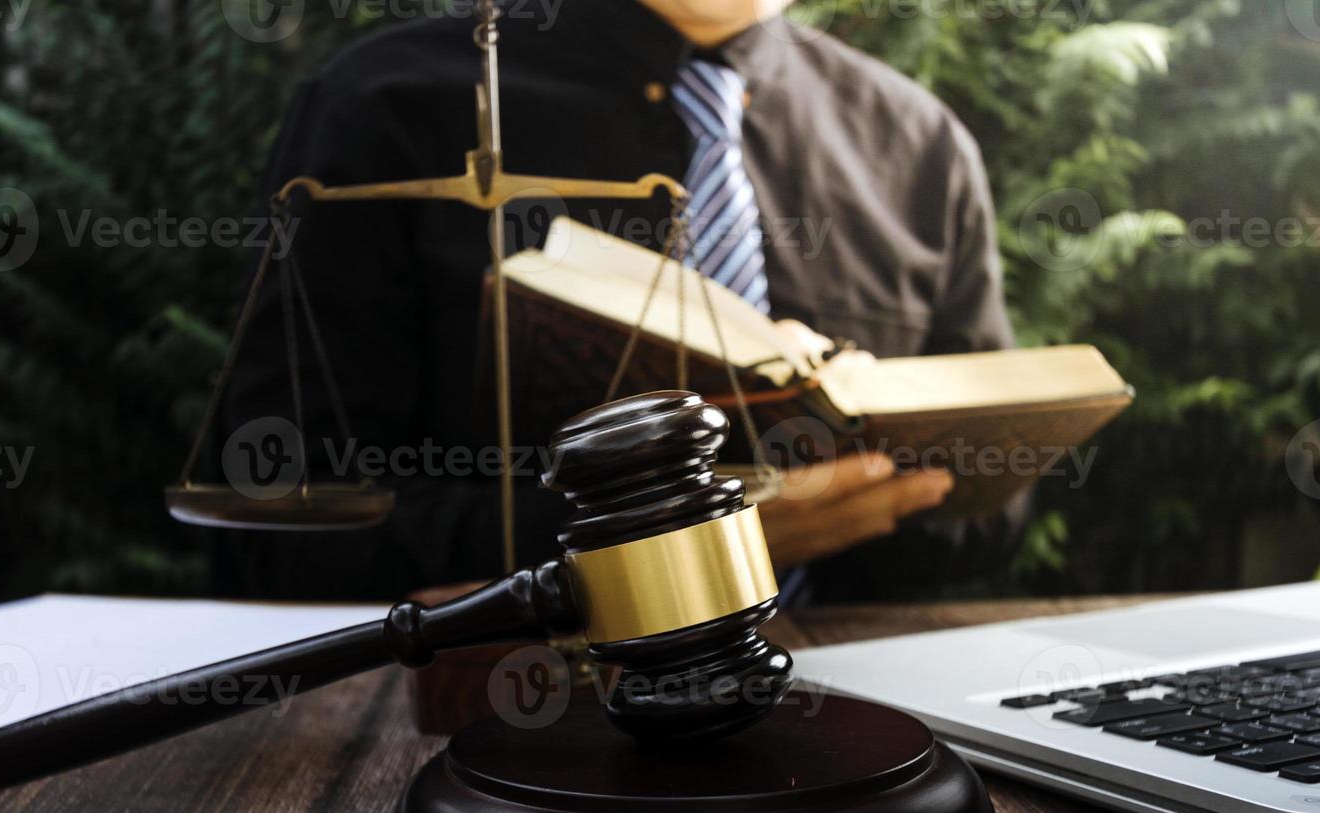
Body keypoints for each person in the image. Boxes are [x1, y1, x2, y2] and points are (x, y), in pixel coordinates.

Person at [218, 0, 1026, 603]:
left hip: (868, 722)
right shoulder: (382, 109)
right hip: (491, 731)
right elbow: (279, 528)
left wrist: (868, 499)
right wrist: (641, 543)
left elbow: (998, 507)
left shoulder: (921, 143)